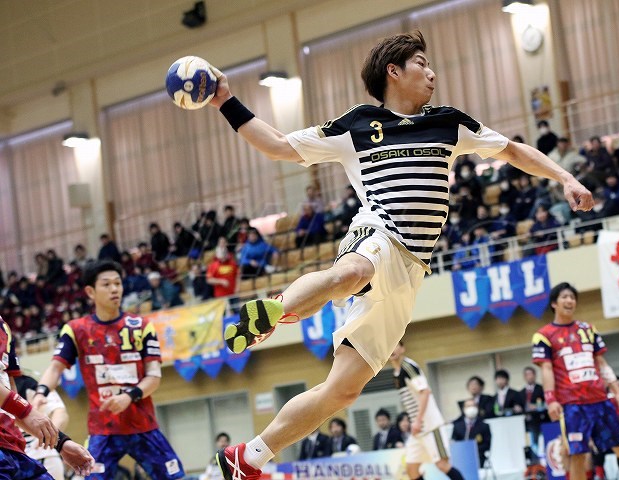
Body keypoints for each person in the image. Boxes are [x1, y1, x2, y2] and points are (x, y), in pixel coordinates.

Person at [210, 30, 592, 479]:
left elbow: (511, 151)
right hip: (377, 233)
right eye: (421, 64)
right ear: (394, 71)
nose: (432, 73)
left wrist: (565, 177)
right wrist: (225, 101)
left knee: (342, 391)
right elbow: (278, 145)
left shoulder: (449, 123)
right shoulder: (357, 125)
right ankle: (277, 309)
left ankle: (248, 458)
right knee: (351, 272)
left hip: (412, 270)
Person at [32, 261, 184, 479]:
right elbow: (55, 368)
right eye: (106, 284)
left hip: (143, 426)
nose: (114, 289)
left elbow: (154, 377)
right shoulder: (77, 329)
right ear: (90, 292)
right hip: (102, 430)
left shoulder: (141, 326)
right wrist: (41, 393)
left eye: (118, 283)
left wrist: (129, 396)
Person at [532, 282, 619, 480]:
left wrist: (617, 392)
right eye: (564, 297)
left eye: (572, 297)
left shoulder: (588, 329)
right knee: (577, 454)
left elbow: (601, 362)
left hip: (600, 400)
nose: (570, 301)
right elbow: (547, 369)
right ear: (554, 303)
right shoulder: (543, 335)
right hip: (573, 405)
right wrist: (551, 399)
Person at [0, 316, 94, 479]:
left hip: (16, 449)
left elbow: (13, 409)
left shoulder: (4, 328)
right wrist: (27, 411)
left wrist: (60, 442)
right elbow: (25, 412)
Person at [390, 341, 464, 480]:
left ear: (402, 348)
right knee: (411, 469)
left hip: (430, 426)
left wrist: (418, 420)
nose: (392, 349)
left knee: (442, 465)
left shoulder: (408, 367)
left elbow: (425, 392)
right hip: (418, 431)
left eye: (395, 345)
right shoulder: (396, 374)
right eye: (389, 346)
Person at [15, 375, 69, 480]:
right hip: (10, 459)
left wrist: (49, 438)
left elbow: (60, 413)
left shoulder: (30, 383)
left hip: (41, 456)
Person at [451, 398, 491, 467]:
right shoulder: (457, 426)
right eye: (468, 406)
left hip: (478, 457)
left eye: (473, 406)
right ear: (464, 409)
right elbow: (454, 442)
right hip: (461, 458)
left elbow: (487, 445)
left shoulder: (484, 426)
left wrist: (472, 449)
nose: (471, 408)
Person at [521, 366, 545, 455]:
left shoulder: (541, 389)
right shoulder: (521, 392)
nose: (529, 376)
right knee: (530, 442)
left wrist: (537, 406)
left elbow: (546, 403)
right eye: (526, 374)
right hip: (527, 421)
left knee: (540, 441)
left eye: (530, 374)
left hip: (540, 419)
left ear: (535, 375)